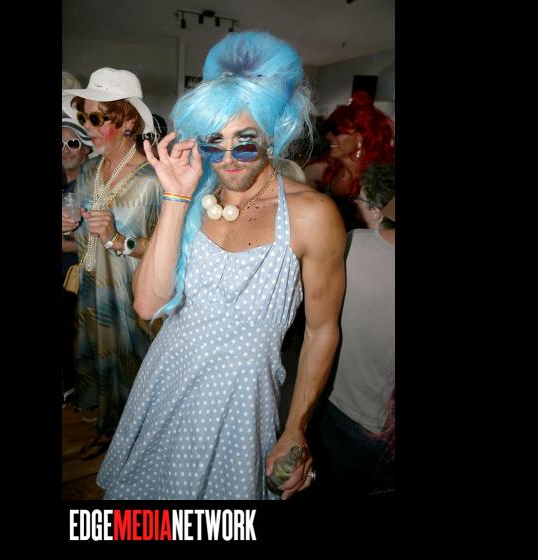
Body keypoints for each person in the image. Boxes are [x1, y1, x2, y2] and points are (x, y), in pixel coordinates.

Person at [97, 31, 347, 500]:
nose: (228, 159)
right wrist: (176, 197)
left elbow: (321, 330)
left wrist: (296, 427)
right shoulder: (193, 198)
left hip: (238, 405)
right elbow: (148, 305)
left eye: (245, 143)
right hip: (166, 380)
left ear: (271, 133)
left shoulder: (312, 216)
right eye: (214, 143)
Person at [61, 67, 162, 460]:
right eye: (83, 116)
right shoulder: (88, 170)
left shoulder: (153, 180)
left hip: (132, 301)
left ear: (128, 121)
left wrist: (120, 240)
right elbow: (84, 233)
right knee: (98, 364)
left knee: (134, 372)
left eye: (96, 117)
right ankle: (108, 430)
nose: (87, 126)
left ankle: (138, 447)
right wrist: (70, 226)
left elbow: (171, 253)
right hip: (92, 292)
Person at [312, 162, 395, 500]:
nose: (356, 206)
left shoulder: (351, 245)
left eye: (361, 200)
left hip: (344, 408)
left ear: (377, 211)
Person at [316, 91, 394, 230]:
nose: (328, 136)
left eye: (336, 131)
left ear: (359, 138)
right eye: (329, 130)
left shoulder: (379, 181)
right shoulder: (330, 171)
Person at [61, 118, 92, 405]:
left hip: (80, 272)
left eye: (72, 143)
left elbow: (101, 242)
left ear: (86, 148)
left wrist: (69, 243)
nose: (65, 149)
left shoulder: (93, 186)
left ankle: (71, 384)